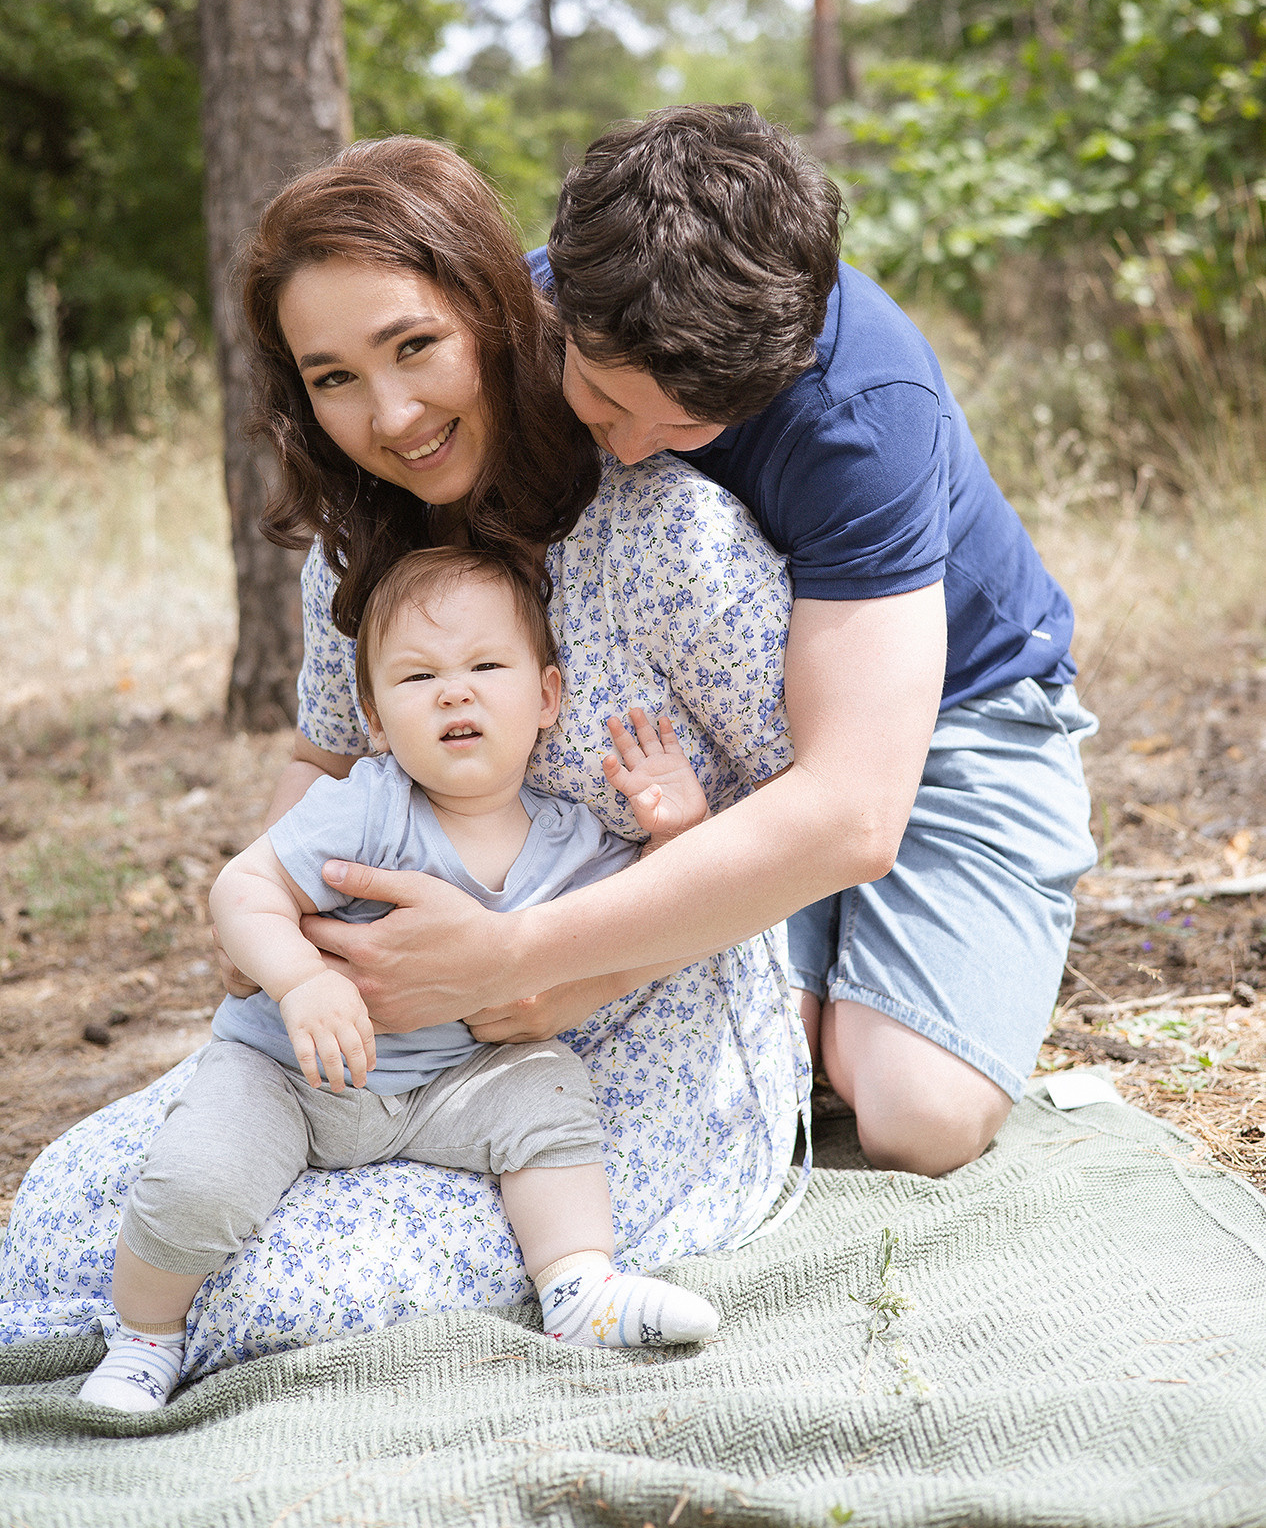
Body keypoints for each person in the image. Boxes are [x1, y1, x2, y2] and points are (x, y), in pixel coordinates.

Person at [0, 135, 805, 1384]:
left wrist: (560, 974)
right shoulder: (358, 552)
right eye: (332, 375)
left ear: (494, 311)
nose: (389, 415)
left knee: (290, 1277)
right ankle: (113, 1325)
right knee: (72, 1205)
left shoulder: (669, 531)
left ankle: (138, 1341)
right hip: (365, 1048)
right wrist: (289, 946)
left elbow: (810, 816)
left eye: (414, 346)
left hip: (611, 1049)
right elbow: (313, 784)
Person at [277, 106, 1097, 1181]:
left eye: (683, 429)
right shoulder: (516, 316)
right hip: (717, 742)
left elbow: (853, 806)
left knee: (915, 1112)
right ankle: (793, 963)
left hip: (948, 711)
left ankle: (890, 963)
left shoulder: (861, 410)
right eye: (608, 401)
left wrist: (527, 955)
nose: (625, 446)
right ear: (558, 303)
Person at [79, 547, 721, 1411]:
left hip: (452, 1084)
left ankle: (578, 1288)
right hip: (291, 1076)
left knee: (549, 1091)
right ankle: (143, 1340)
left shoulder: (571, 839)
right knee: (200, 1176)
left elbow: (649, 914)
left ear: (547, 697)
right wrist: (302, 980)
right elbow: (243, 887)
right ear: (376, 720)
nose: (455, 691)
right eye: (419, 677)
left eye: (486, 666)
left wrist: (675, 833)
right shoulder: (369, 805)